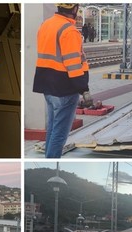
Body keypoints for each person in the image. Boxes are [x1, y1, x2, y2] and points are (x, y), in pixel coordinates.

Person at [33, 3, 93, 158]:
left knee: (52, 130)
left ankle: (49, 157)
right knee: (59, 135)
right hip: (64, 89)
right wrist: (84, 90)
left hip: (48, 86)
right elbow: (73, 65)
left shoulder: (46, 25)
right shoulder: (69, 30)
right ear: (74, 9)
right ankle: (52, 160)